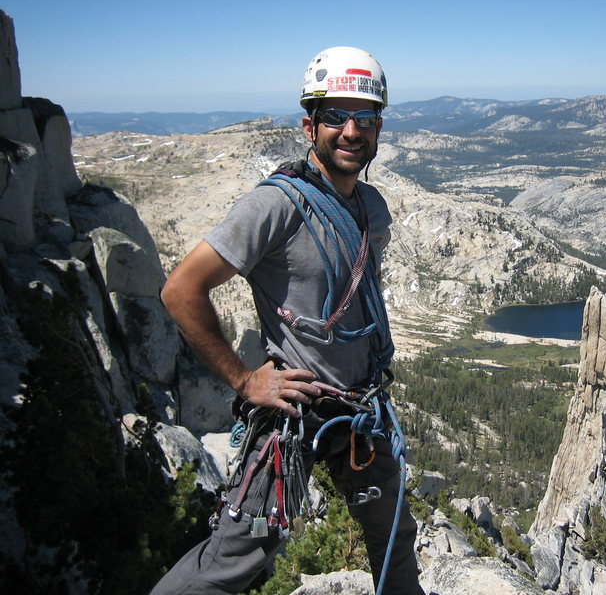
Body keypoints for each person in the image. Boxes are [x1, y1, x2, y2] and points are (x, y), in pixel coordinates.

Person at [152, 47, 425, 595]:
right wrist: (245, 379)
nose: (351, 131)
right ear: (310, 126)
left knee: (393, 537)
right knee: (237, 558)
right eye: (334, 117)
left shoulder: (371, 207)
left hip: (358, 408)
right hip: (293, 414)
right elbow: (182, 289)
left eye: (365, 119)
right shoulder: (275, 206)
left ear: (378, 129)